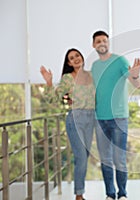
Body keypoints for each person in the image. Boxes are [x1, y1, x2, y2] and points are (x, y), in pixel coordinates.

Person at [90, 30, 140, 200]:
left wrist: (136, 74)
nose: (102, 43)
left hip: (119, 117)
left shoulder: (120, 60)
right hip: (100, 118)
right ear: (94, 45)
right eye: (98, 41)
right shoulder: (95, 66)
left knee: (119, 159)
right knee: (105, 160)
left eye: (104, 40)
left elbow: (137, 83)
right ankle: (110, 194)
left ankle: (123, 194)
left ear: (108, 43)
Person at [40, 48, 95, 200]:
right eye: (72, 58)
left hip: (91, 119)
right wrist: (49, 82)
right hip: (75, 119)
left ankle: (80, 192)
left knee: (85, 156)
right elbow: (53, 99)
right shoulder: (67, 78)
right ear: (69, 63)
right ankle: (79, 195)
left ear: (82, 57)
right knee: (81, 158)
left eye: (77, 55)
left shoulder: (92, 76)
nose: (76, 59)